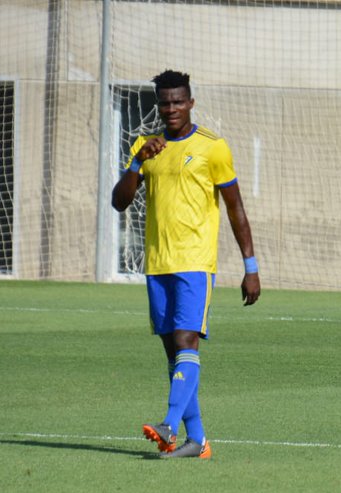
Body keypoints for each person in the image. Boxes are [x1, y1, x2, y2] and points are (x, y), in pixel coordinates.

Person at [111, 70, 261, 459]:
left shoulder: (213, 147)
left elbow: (236, 208)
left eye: (179, 101)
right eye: (165, 102)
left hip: (195, 262)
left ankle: (168, 426)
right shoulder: (146, 145)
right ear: (157, 105)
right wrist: (136, 164)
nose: (172, 108)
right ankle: (198, 441)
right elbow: (119, 201)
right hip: (157, 264)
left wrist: (251, 266)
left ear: (191, 102)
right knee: (173, 356)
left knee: (186, 342)